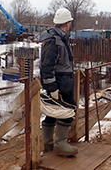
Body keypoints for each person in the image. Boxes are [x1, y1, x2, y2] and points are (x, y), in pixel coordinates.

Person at [38, 8, 79, 157]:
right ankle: (60, 143)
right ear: (67, 23)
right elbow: (47, 66)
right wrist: (52, 87)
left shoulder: (59, 38)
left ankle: (49, 144)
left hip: (62, 82)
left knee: (53, 112)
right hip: (59, 84)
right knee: (69, 109)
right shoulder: (55, 40)